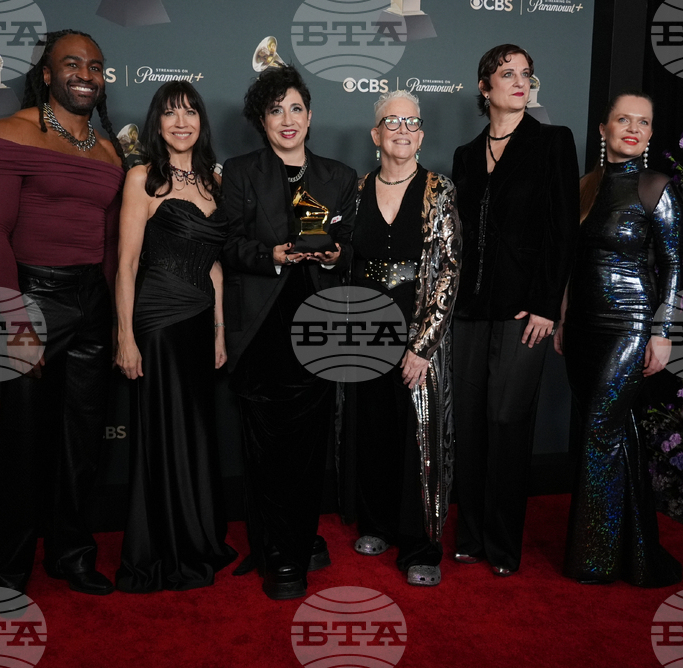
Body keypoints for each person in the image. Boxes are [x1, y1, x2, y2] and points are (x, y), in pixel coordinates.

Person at [0, 29, 124, 595]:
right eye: (73, 63)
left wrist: (112, 317)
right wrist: (16, 323)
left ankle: (72, 555)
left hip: (91, 302)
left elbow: (109, 246)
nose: (86, 73)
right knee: (23, 447)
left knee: (81, 441)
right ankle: (9, 571)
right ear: (46, 74)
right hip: (33, 296)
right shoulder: (9, 133)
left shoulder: (109, 150)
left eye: (97, 65)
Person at [220, 65, 356, 600]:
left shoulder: (339, 176)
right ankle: (272, 544)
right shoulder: (239, 172)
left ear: (310, 115)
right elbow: (228, 245)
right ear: (261, 118)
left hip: (318, 330)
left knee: (306, 448)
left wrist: (336, 252)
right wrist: (270, 255)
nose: (287, 119)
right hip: (259, 331)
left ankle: (294, 549)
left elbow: (352, 249)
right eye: (275, 109)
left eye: (296, 108)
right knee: (262, 447)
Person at [451, 44, 579, 576]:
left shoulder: (553, 143)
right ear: (485, 88)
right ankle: (472, 537)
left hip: (526, 313)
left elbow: (562, 230)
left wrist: (549, 306)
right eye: (508, 74)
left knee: (507, 422)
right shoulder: (463, 154)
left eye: (527, 74)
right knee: (472, 425)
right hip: (468, 311)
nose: (521, 82)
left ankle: (503, 545)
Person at [113, 81, 238, 593]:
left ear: (202, 123)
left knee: (197, 431)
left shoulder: (215, 180)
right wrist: (125, 336)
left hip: (198, 321)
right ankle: (162, 545)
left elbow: (214, 267)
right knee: (163, 433)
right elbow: (125, 264)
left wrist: (219, 330)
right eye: (170, 114)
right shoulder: (142, 177)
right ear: (156, 123)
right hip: (158, 321)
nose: (181, 122)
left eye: (190, 113)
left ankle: (198, 533)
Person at [556, 92, 683, 587]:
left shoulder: (657, 188)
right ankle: (633, 549)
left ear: (651, 135)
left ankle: (595, 559)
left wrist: (663, 332)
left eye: (644, 122)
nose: (633, 128)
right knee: (616, 432)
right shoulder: (584, 186)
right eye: (623, 119)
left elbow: (673, 265)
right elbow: (570, 263)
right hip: (583, 328)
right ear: (605, 128)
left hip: (630, 327)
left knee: (598, 431)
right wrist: (564, 319)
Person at [349, 91, 461, 587]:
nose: (401, 129)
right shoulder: (355, 190)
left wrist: (423, 345)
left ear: (420, 134)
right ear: (376, 135)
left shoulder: (439, 190)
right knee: (374, 431)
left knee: (420, 439)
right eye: (390, 122)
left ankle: (421, 544)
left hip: (418, 333)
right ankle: (377, 524)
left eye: (410, 122)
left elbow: (449, 271)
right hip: (367, 332)